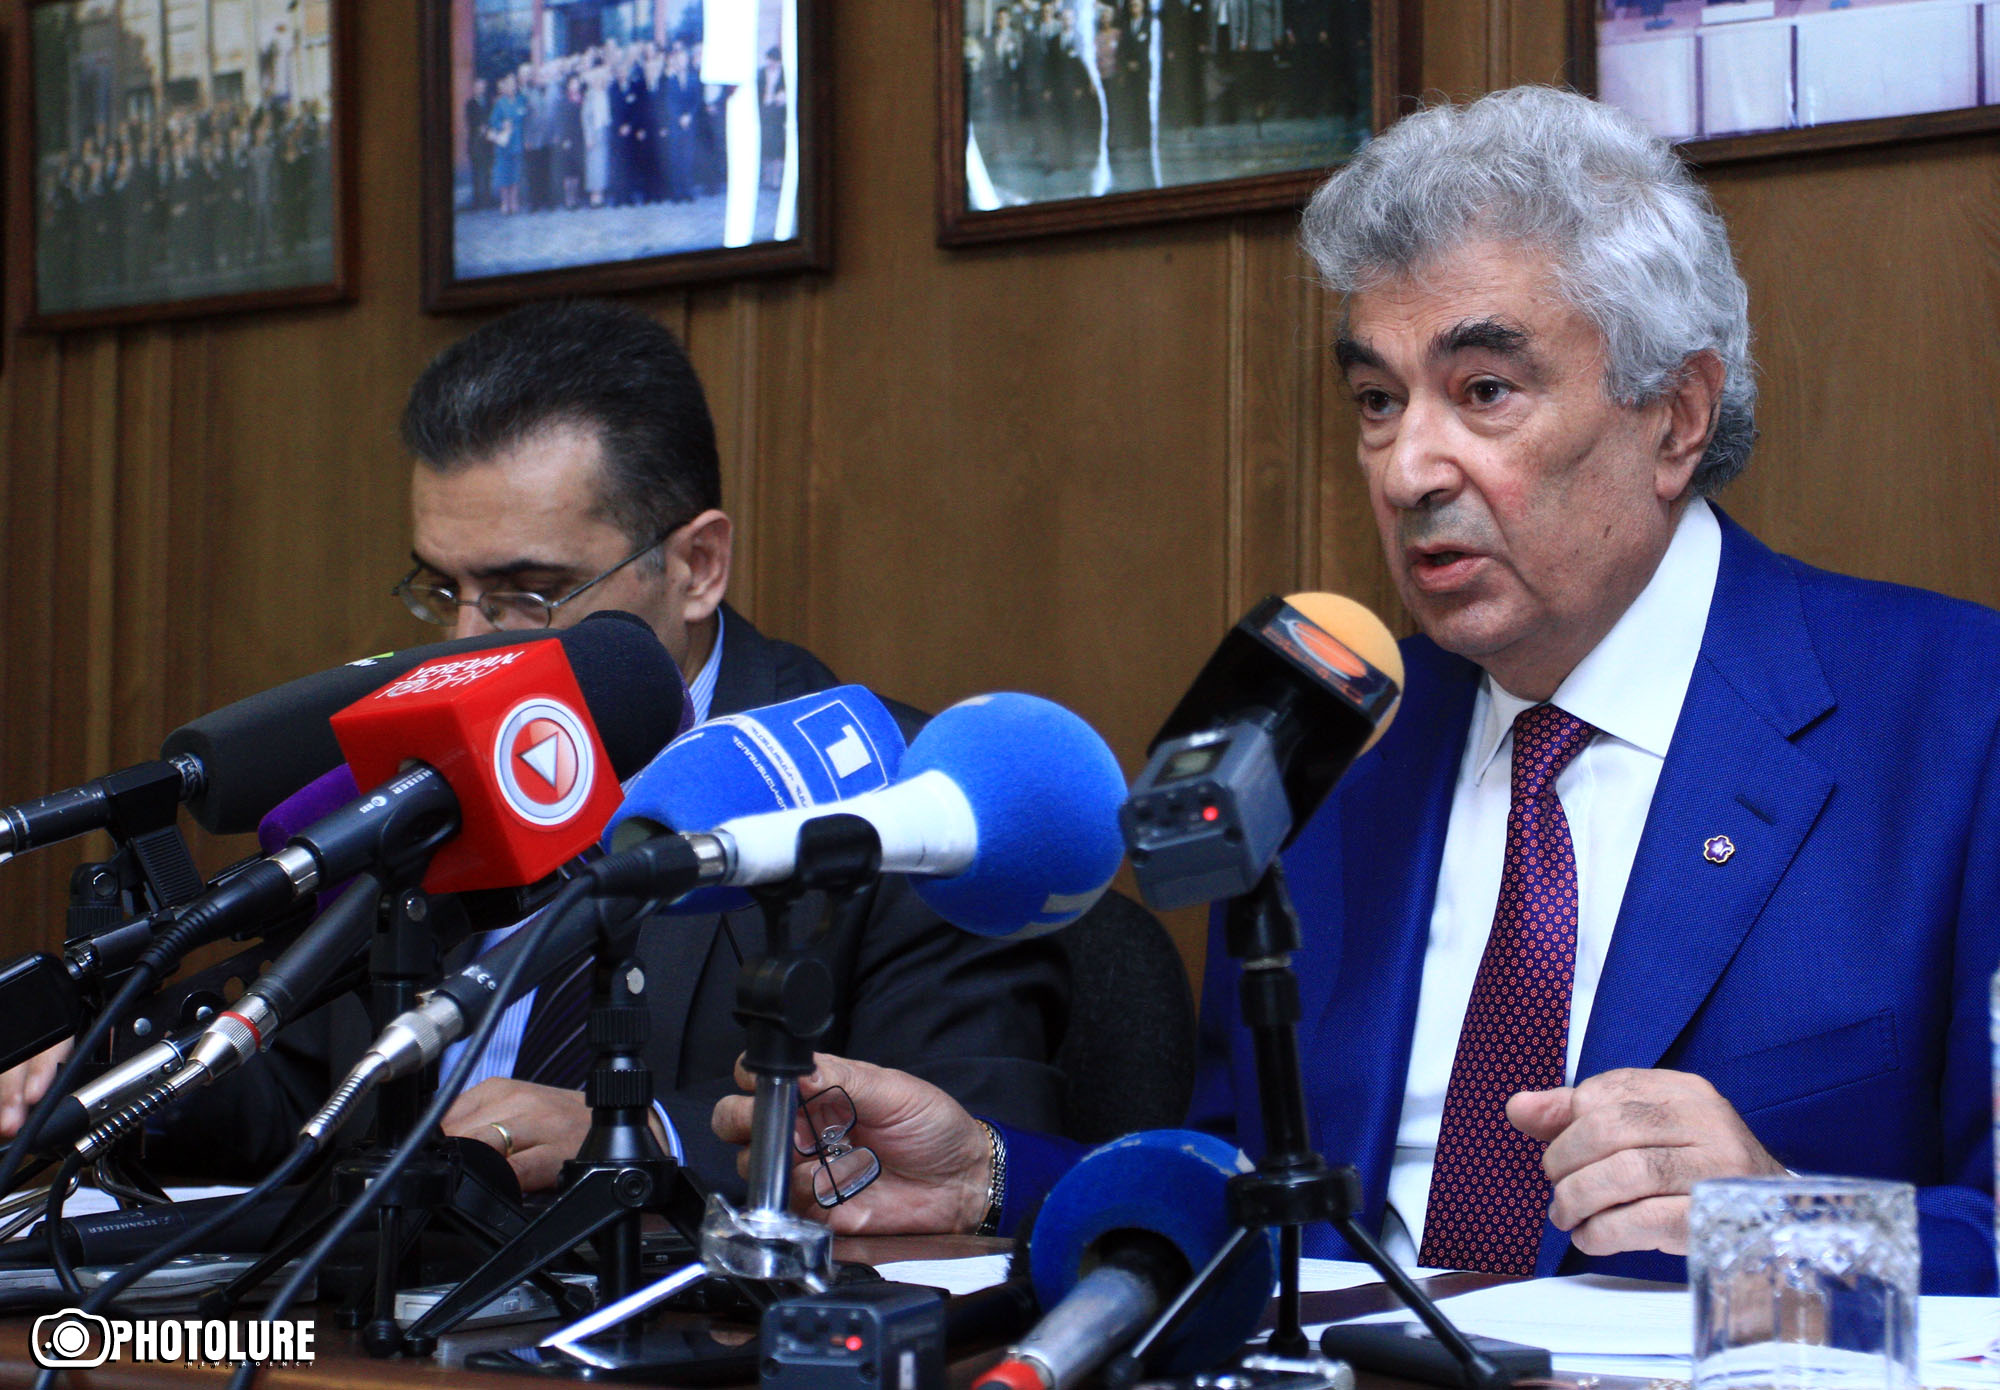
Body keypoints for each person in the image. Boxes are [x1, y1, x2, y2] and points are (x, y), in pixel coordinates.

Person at [713, 86, 2000, 1294]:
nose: (1405, 469)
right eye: (1378, 400)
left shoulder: (1955, 722)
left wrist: (1779, 1221)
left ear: (1674, 416)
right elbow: (1250, 1195)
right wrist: (993, 1177)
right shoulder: (1322, 736)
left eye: (1482, 392)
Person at [0, 301, 1069, 1201]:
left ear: (697, 566)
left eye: (529, 593)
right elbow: (301, 1096)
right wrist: (124, 1081)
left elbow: (968, 1146)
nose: (469, 644)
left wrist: (644, 1137)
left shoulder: (901, 800)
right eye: (444, 588)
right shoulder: (422, 764)